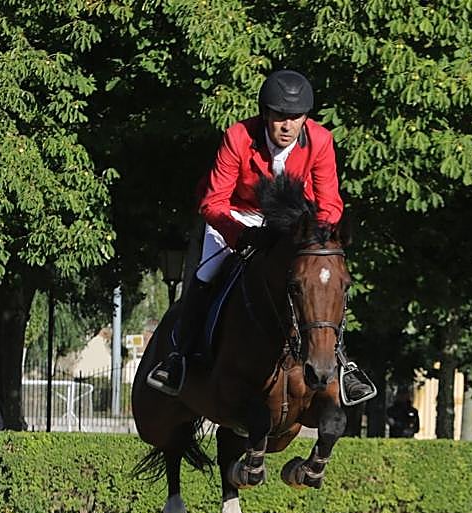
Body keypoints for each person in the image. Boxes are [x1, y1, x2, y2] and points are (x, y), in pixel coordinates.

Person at [147, 69, 376, 405]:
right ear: (266, 113)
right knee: (207, 273)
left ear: (305, 119)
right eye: (280, 117)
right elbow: (213, 202)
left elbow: (330, 203)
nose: (287, 126)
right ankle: (178, 358)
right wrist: (240, 235)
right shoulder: (238, 137)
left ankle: (343, 367)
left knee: (323, 283)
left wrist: (318, 239)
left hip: (298, 224)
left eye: (295, 118)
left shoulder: (321, 140)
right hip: (239, 214)